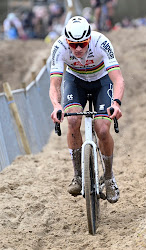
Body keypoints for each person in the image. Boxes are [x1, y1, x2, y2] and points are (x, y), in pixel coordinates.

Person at [49, 16, 125, 203]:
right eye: (73, 45)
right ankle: (78, 175)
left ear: (89, 38)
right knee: (73, 121)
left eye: (82, 44)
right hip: (75, 81)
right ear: (67, 42)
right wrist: (56, 105)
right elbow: (55, 84)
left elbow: (118, 79)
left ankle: (108, 178)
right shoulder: (59, 47)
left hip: (101, 81)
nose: (78, 49)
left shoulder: (102, 43)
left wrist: (116, 103)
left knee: (102, 129)